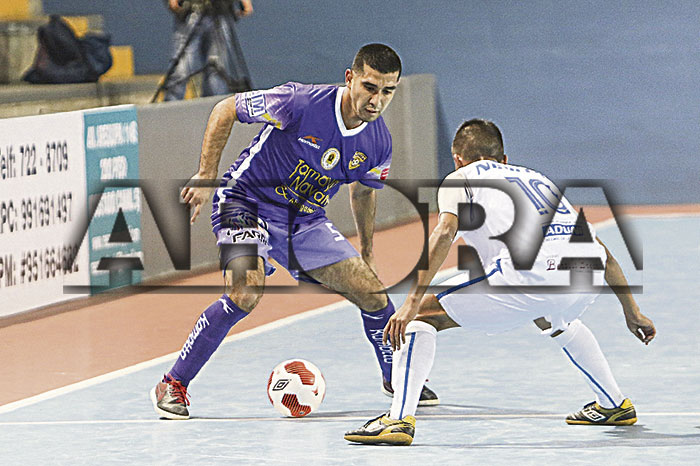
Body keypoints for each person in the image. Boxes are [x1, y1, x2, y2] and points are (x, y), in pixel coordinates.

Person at [150, 43, 438, 420]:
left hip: (305, 222)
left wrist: (367, 251)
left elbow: (364, 191)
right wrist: (206, 175)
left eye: (388, 91)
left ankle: (395, 377)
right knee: (245, 291)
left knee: (373, 294)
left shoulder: (378, 141)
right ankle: (173, 382)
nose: (377, 100)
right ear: (350, 79)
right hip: (246, 203)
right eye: (370, 87)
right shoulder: (300, 102)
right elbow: (226, 109)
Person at [344, 119, 656, 446]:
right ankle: (614, 404)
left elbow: (445, 232)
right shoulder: (538, 179)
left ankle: (397, 419)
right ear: (504, 159)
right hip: (587, 271)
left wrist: (410, 303)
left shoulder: (460, 178)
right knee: (552, 317)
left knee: (421, 315)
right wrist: (632, 311)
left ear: (457, 158)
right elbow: (602, 250)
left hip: (532, 273)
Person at [163, 0, 253, 101]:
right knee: (181, 69)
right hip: (191, 10)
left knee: (217, 68)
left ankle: (212, 105)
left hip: (220, 11)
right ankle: (172, 103)